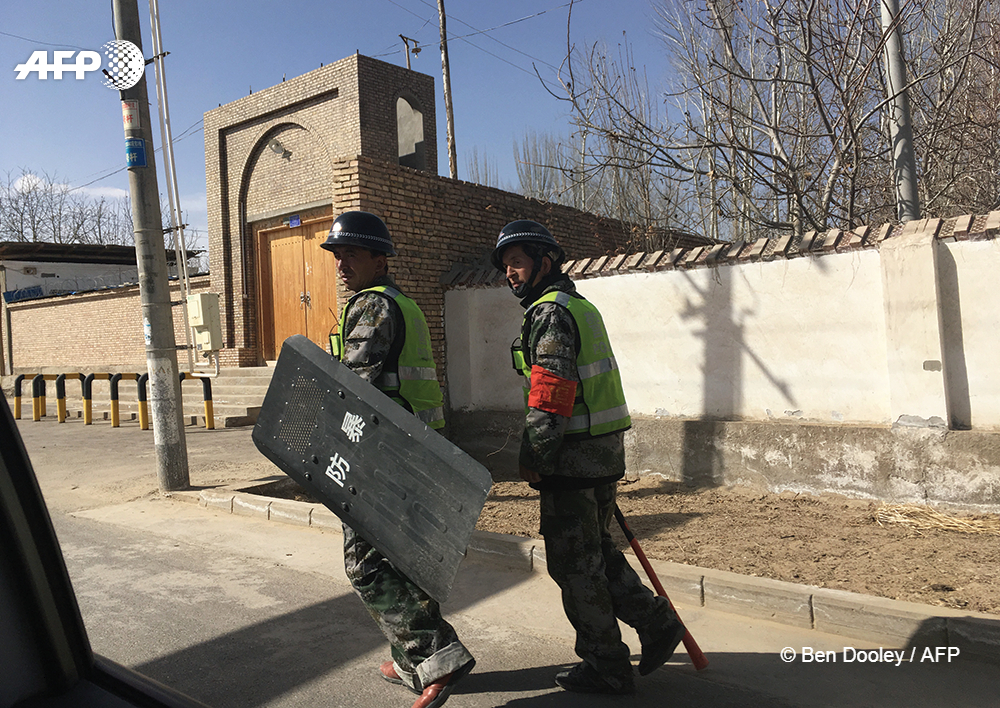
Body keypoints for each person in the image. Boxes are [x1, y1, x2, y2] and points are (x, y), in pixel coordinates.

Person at [490, 220, 686, 695]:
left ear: (544, 263)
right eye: (506, 265)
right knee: (595, 552)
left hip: (571, 459)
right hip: (598, 454)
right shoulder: (579, 306)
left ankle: (606, 664)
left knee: (573, 565)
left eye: (516, 262)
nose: (509, 273)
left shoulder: (549, 312)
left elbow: (551, 391)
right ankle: (656, 623)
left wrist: (536, 453)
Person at [322, 211, 475, 708]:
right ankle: (410, 660)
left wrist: (327, 448)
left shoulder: (372, 305)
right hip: (415, 449)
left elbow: (354, 385)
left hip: (382, 452)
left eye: (352, 254)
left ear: (380, 260)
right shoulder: (404, 303)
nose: (341, 264)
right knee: (400, 558)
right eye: (337, 255)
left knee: (363, 563)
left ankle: (436, 654)